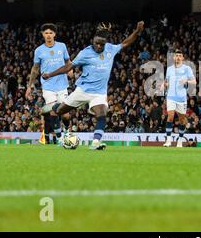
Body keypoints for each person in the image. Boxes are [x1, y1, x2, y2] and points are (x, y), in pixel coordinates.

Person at [40, 21, 145, 150]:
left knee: (102, 114)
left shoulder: (110, 49)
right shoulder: (85, 53)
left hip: (99, 93)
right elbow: (69, 66)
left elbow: (126, 42)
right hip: (83, 91)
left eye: (102, 44)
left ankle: (95, 143)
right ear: (92, 42)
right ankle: (53, 106)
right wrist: (50, 74)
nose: (99, 46)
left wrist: (137, 31)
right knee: (61, 110)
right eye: (97, 43)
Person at [26, 23, 73, 145]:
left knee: (65, 114)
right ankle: (59, 138)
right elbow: (35, 69)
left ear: (54, 34)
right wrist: (30, 86)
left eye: (50, 33)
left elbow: (68, 61)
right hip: (48, 86)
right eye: (46, 33)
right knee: (53, 111)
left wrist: (71, 70)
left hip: (62, 85)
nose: (48, 35)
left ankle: (67, 132)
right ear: (42, 34)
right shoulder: (39, 50)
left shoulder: (62, 47)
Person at [163, 49, 196, 148]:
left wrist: (186, 80)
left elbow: (194, 81)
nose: (177, 57)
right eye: (176, 55)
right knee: (170, 116)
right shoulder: (169, 69)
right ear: (174, 58)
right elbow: (166, 81)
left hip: (181, 98)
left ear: (182, 58)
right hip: (171, 97)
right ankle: (168, 141)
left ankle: (180, 141)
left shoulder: (187, 68)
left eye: (179, 55)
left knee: (182, 120)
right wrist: (165, 84)